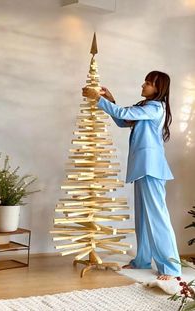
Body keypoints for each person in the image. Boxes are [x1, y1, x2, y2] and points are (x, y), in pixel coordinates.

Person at [82, 71, 181, 280]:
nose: (143, 85)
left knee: (158, 217)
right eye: (144, 81)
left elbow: (126, 114)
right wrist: (110, 100)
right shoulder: (145, 108)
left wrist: (98, 99)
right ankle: (142, 261)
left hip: (151, 168)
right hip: (142, 168)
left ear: (158, 88)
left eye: (148, 83)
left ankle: (171, 268)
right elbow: (123, 120)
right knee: (143, 217)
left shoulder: (155, 107)